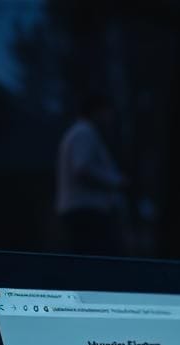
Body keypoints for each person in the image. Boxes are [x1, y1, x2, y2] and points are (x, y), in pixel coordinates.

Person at [55, 91, 125, 255]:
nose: (110, 117)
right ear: (97, 110)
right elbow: (82, 168)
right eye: (107, 111)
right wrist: (115, 181)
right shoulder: (85, 132)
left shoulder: (80, 132)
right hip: (86, 211)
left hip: (82, 211)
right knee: (91, 257)